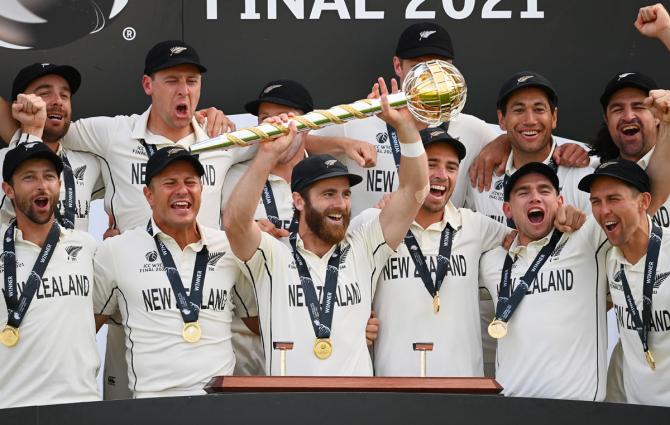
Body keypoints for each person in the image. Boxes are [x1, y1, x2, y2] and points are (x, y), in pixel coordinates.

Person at [224, 78, 427, 375]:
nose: (340, 204)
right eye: (328, 194)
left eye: (345, 194)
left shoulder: (364, 244)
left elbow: (415, 191)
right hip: (288, 406)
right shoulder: (273, 255)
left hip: (354, 406)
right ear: (299, 201)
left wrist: (406, 128)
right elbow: (234, 224)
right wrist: (267, 154)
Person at [93, 146, 253, 398]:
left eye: (191, 182)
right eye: (170, 182)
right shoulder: (115, 250)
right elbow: (86, 327)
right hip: (153, 405)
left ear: (201, 189)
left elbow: (257, 323)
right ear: (149, 195)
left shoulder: (229, 247)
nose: (182, 190)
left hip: (218, 406)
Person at [478, 162, 610, 400]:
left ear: (560, 202)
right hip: (511, 409)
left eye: (544, 190)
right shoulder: (491, 260)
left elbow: (635, 210)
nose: (535, 198)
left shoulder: (586, 236)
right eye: (523, 192)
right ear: (507, 209)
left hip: (578, 411)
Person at [0, 135, 99, 407]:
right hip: (11, 407)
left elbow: (104, 309)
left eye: (49, 176)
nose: (42, 186)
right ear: (8, 189)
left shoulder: (87, 246)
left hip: (82, 405)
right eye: (29, 178)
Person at [580, 160, 670, 407]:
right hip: (633, 410)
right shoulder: (608, 259)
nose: (603, 210)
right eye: (596, 202)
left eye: (614, 198)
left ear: (643, 202)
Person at [466, 71, 592, 225]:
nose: (530, 120)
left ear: (554, 117)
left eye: (539, 109)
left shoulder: (584, 180)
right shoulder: (481, 176)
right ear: (502, 120)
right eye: (519, 110)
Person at [0, 64, 104, 231]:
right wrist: (32, 130)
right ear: (18, 105)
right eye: (44, 93)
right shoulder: (1, 161)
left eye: (65, 95)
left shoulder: (91, 163)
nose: (58, 101)